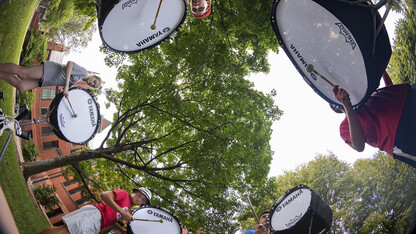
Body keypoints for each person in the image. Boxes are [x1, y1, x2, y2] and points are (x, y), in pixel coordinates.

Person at [332, 71, 416, 168]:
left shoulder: (367, 98)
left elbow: (389, 91)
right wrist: (347, 106)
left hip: (408, 95)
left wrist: (382, 71)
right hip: (400, 135)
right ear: (336, 107)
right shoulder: (345, 127)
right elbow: (359, 146)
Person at [39, 187, 152, 234]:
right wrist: (123, 212)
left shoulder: (129, 208)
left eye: (143, 201)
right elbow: (104, 195)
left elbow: (112, 217)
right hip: (95, 214)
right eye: (140, 196)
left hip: (97, 224)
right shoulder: (124, 194)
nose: (140, 200)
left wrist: (120, 229)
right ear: (136, 192)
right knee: (65, 231)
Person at [0, 61, 101, 97]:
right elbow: (70, 64)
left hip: (46, 81)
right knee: (22, 73)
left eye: (93, 85)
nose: (92, 83)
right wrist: (66, 86)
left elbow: (61, 80)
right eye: (94, 81)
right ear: (94, 76)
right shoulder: (83, 72)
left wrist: (62, 92)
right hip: (49, 71)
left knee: (21, 86)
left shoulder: (77, 81)